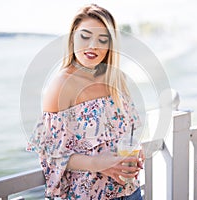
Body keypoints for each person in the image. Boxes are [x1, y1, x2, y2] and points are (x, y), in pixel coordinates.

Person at [27, 4, 145, 200]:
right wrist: (98, 163)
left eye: (102, 39)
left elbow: (128, 133)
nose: (93, 46)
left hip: (130, 192)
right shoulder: (60, 86)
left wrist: (136, 150)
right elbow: (51, 155)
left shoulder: (116, 79)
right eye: (85, 36)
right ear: (73, 36)